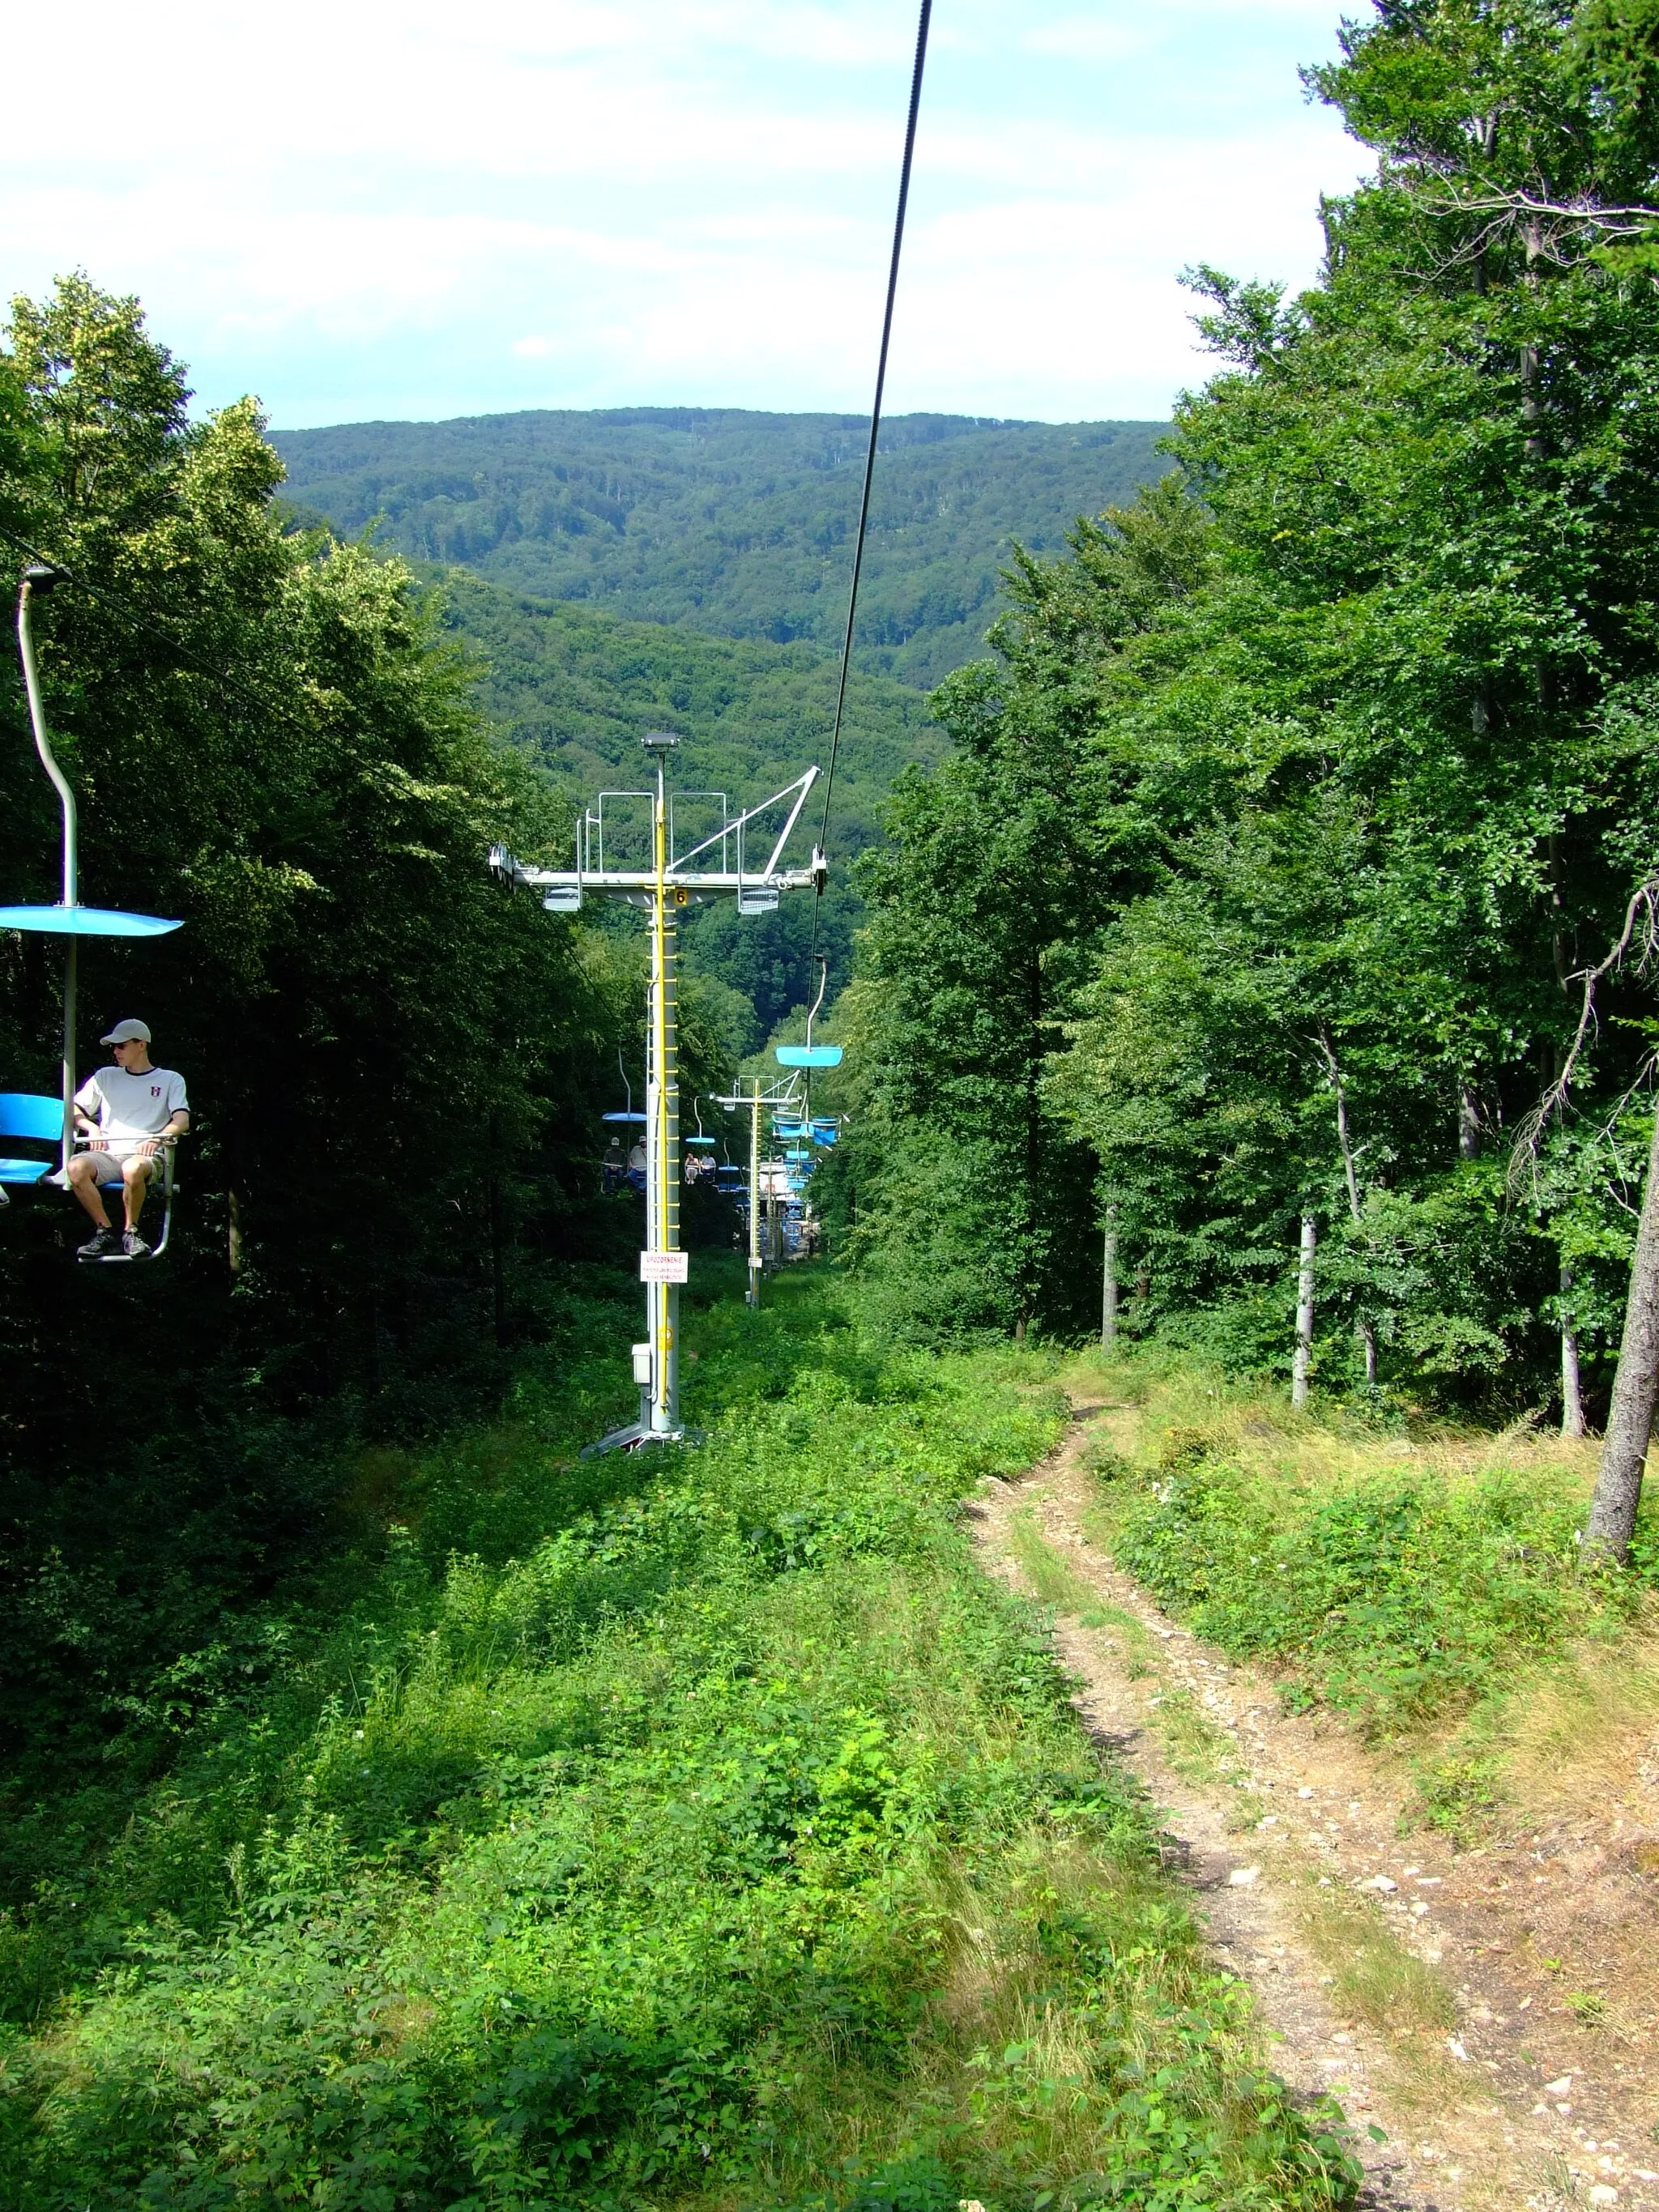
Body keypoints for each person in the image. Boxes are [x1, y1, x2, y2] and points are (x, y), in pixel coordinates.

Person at [67, 1019, 190, 1259]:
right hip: (109, 1154)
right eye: (114, 1047)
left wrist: (157, 1138)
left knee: (132, 1168)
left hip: (144, 1156)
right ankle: (104, 1231)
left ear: (141, 1045)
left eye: (121, 1046)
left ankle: (131, 1232)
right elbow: (74, 1109)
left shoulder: (170, 1079)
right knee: (75, 1166)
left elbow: (182, 1120)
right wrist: (90, 1128)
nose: (116, 1052)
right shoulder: (105, 1076)